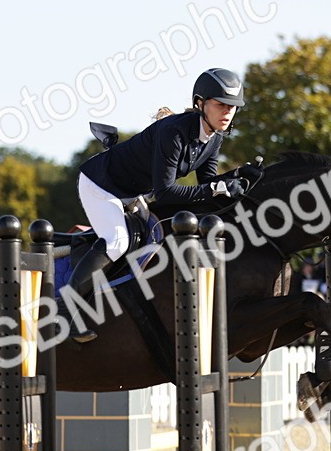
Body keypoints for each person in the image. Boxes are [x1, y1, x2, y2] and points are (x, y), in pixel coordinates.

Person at [68, 67, 260, 342]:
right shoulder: (174, 132)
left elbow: (208, 183)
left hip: (132, 192)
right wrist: (218, 188)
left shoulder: (214, 138)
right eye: (221, 104)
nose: (228, 112)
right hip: (101, 185)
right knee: (117, 242)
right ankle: (66, 308)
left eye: (233, 106)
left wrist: (237, 176)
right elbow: (167, 193)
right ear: (200, 103)